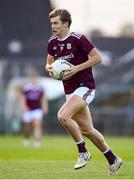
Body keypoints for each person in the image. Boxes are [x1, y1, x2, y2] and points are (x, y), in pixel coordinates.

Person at [45, 9, 122, 175]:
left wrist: (76, 69)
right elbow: (48, 63)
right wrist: (50, 70)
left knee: (63, 116)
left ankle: (82, 151)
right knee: (87, 130)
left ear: (65, 24)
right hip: (70, 90)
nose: (53, 26)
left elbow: (97, 58)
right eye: (51, 23)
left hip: (85, 86)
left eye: (56, 23)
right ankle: (113, 159)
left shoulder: (78, 39)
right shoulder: (52, 42)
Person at [20, 69, 48, 147]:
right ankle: (26, 138)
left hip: (37, 109)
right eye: (32, 78)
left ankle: (37, 141)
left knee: (37, 125)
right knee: (27, 126)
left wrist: (44, 107)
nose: (34, 79)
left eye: (35, 78)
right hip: (28, 109)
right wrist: (23, 106)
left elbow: (43, 99)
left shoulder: (40, 88)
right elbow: (23, 98)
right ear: (30, 78)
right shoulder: (26, 88)